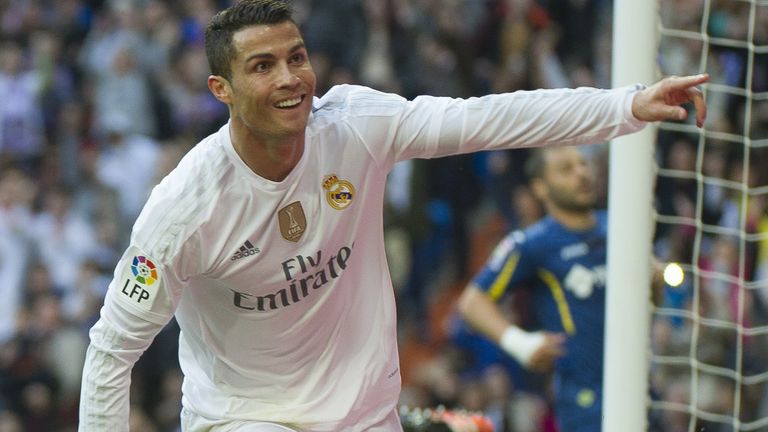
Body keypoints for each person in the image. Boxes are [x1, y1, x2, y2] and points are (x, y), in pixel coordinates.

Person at [78, 1, 708, 431]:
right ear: (222, 89)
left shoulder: (355, 126)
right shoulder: (184, 208)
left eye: (296, 57)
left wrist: (628, 104)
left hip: (366, 410)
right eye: (262, 66)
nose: (291, 78)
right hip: (245, 414)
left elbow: (491, 118)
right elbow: (111, 351)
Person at [456, 146, 665, 431]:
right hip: (584, 399)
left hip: (642, 387)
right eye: (566, 169)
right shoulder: (532, 243)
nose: (581, 173)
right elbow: (472, 302)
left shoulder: (621, 227)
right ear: (540, 188)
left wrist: (654, 281)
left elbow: (652, 306)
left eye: (583, 164)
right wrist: (521, 344)